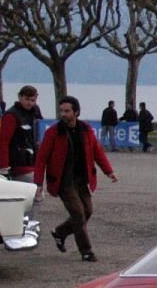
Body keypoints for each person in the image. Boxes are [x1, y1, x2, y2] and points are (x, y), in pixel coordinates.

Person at [34, 95, 118, 262]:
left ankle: (60, 232)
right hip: (64, 182)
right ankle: (86, 251)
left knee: (88, 211)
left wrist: (109, 171)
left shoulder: (86, 130)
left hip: (82, 180)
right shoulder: (53, 132)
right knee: (79, 214)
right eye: (61, 111)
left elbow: (97, 152)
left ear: (76, 112)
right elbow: (41, 158)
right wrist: (38, 183)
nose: (63, 114)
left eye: (67, 111)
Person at [0, 85, 44, 182]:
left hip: (34, 163)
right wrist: (4, 167)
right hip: (18, 165)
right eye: (27, 99)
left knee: (37, 193)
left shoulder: (36, 112)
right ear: (19, 97)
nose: (30, 103)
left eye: (33, 100)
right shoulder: (11, 116)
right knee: (34, 191)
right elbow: (3, 141)